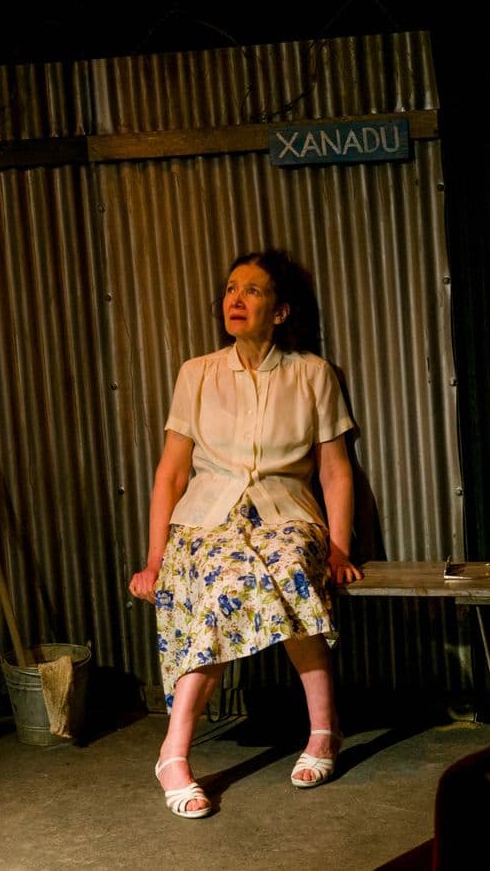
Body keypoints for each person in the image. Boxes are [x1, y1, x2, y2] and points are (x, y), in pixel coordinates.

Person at [128, 249, 363, 819]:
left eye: (252, 291)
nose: (235, 300)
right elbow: (171, 474)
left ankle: (323, 731)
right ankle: (174, 754)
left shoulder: (312, 374)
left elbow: (335, 470)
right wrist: (155, 560)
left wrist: (339, 548)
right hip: (206, 520)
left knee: (291, 570)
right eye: (231, 289)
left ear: (280, 311)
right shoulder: (197, 373)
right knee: (221, 585)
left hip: (286, 515)